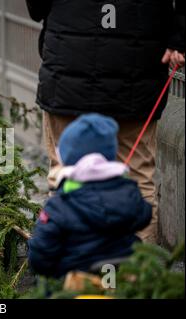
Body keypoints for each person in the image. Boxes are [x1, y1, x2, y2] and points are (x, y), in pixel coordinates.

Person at [26, 0, 185, 243]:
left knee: (66, 174)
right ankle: (135, 272)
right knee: (137, 178)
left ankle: (71, 269)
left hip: (70, 61)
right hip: (138, 64)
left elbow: (37, 8)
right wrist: (179, 38)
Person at [27, 114, 152, 278]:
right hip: (118, 275)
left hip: (75, 281)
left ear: (67, 158)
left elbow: (42, 250)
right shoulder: (129, 192)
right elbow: (145, 215)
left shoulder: (60, 205)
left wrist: (44, 273)